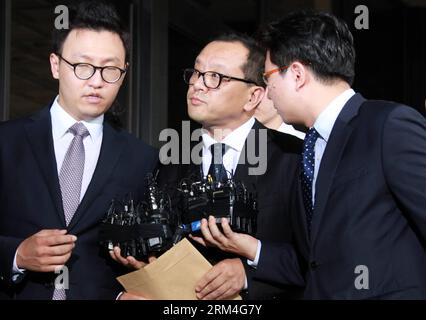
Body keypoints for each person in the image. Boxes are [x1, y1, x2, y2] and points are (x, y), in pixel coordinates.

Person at [192, 10, 426, 299]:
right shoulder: (308, 150)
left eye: (267, 77)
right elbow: (312, 264)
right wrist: (252, 248)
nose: (267, 91)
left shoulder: (388, 125)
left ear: (298, 74)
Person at [112, 33, 303, 300]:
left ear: (253, 97)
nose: (197, 85)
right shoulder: (168, 159)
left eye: (215, 77)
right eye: (196, 72)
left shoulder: (293, 158)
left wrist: (248, 273)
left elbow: (318, 258)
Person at [0, 1, 157, 300]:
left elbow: (134, 256)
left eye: (110, 69)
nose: (96, 82)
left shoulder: (142, 159)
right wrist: (16, 254)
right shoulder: (7, 142)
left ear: (124, 74)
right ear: (55, 65)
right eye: (83, 67)